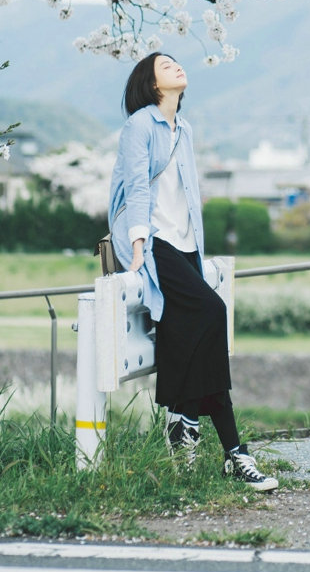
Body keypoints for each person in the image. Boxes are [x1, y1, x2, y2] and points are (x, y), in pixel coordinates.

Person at [108, 51, 277, 492]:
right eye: (166, 67)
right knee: (212, 312)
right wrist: (140, 246)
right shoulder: (139, 125)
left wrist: (198, 251)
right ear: (151, 83)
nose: (177, 68)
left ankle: (204, 434)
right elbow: (138, 186)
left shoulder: (185, 129)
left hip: (184, 246)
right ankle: (214, 438)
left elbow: (188, 196)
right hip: (153, 242)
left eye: (176, 64)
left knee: (189, 336)